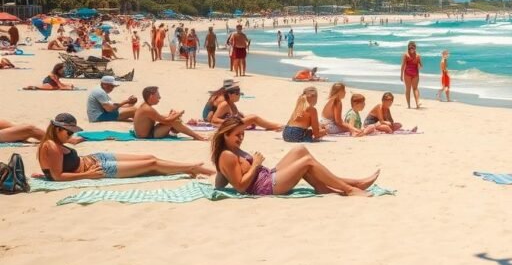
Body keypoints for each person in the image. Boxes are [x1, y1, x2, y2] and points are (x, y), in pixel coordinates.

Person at [212, 115, 379, 196]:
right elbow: (240, 186)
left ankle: (343, 184)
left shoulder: (229, 152)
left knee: (300, 150)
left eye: (242, 134)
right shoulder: (227, 155)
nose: (241, 138)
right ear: (225, 135)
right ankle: (350, 189)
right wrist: (255, 164)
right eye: (237, 135)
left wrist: (219, 181)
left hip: (268, 175)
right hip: (266, 187)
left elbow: (221, 180)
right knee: (306, 163)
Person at [38, 113, 212, 181]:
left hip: (96, 158)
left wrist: (43, 173)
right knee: (150, 165)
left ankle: (187, 168)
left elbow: (51, 170)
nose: (70, 136)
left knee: (149, 158)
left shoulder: (56, 142)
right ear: (58, 129)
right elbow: (57, 176)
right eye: (68, 133)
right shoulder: (51, 146)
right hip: (100, 168)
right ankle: (192, 167)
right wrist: (87, 175)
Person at [133, 86, 207, 140]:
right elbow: (166, 121)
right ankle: (196, 136)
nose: (159, 97)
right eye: (158, 95)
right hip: (148, 135)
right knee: (174, 121)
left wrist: (171, 115)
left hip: (149, 132)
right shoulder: (147, 109)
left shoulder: (145, 106)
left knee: (172, 117)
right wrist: (179, 114)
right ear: (151, 96)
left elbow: (158, 117)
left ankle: (180, 130)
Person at [210, 85, 283, 131]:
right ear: (230, 95)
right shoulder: (225, 104)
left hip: (235, 123)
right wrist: (230, 121)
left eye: (239, 94)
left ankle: (274, 126)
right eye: (237, 94)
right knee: (254, 117)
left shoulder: (231, 104)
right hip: (232, 124)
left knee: (251, 117)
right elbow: (214, 119)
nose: (239, 96)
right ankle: (278, 126)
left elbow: (237, 115)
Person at [400, 41, 423, 108]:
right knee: (408, 89)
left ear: (415, 48)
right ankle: (409, 105)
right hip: (407, 74)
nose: (411, 50)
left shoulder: (418, 56)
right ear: (408, 48)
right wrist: (401, 75)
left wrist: (419, 65)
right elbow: (403, 65)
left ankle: (417, 103)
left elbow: (421, 65)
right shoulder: (406, 55)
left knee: (415, 88)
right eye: (410, 48)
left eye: (412, 48)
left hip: (415, 74)